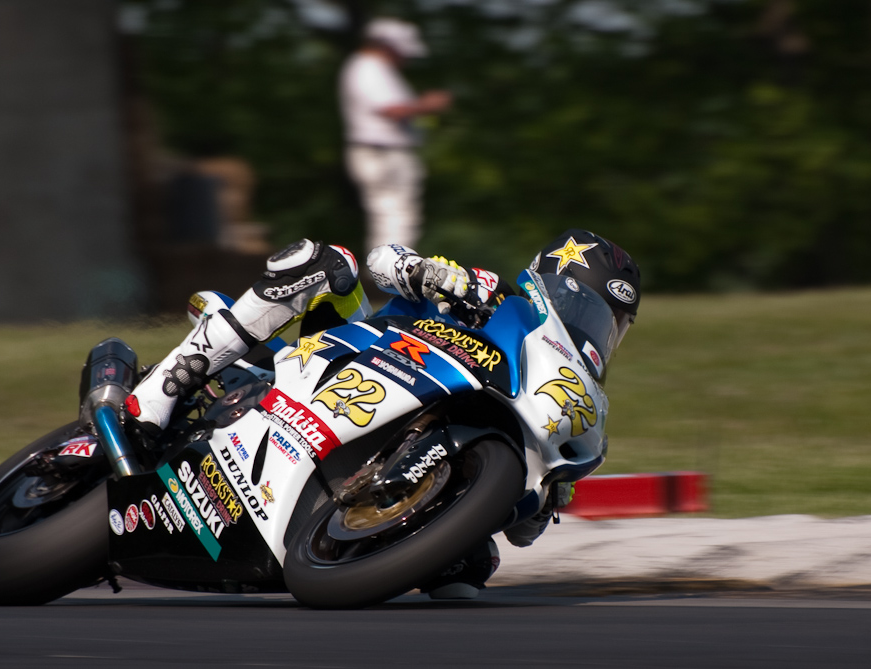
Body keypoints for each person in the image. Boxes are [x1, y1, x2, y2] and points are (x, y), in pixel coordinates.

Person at [124, 230, 641, 597]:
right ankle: (165, 388)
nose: (596, 331)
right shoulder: (489, 290)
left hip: (405, 423)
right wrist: (425, 273)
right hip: (353, 354)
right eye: (587, 308)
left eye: (611, 325)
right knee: (328, 264)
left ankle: (345, 531)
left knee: (468, 573)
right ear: (553, 285)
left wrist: (543, 495)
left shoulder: (558, 394)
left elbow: (523, 534)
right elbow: (383, 259)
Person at [339, 17, 451, 251]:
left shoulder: (373, 69)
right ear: (387, 46)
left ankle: (386, 267)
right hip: (382, 153)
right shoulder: (367, 68)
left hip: (381, 152)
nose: (406, 58)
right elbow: (391, 109)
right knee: (395, 217)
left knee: (392, 216)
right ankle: (389, 269)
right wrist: (427, 105)